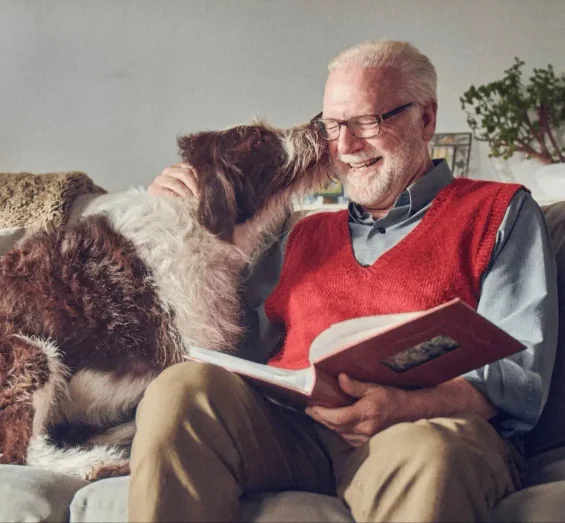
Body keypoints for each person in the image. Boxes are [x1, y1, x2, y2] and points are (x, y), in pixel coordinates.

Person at [128, 40, 559, 522]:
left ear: (427, 119)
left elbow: (519, 373)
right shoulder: (299, 231)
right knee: (182, 388)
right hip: (294, 432)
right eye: (333, 126)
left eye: (368, 122)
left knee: (434, 451)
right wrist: (173, 214)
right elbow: (219, 341)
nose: (346, 147)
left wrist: (404, 407)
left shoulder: (498, 211)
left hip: (421, 432)